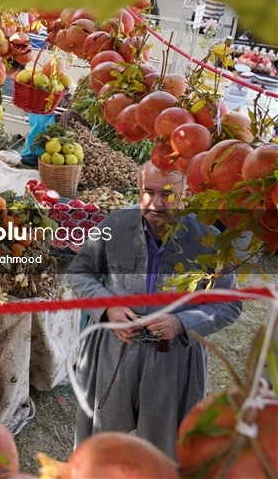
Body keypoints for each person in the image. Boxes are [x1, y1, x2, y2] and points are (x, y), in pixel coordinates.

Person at [68, 162, 243, 460]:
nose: (156, 202)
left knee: (163, 451)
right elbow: (79, 272)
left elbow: (230, 303)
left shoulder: (209, 240)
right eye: (148, 192)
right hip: (115, 349)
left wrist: (181, 322)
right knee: (103, 442)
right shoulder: (115, 225)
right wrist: (108, 307)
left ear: (186, 193)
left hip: (173, 357)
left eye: (167, 194)